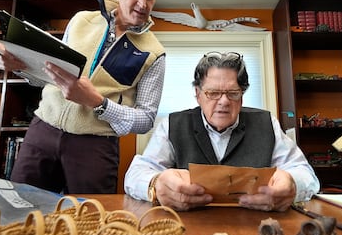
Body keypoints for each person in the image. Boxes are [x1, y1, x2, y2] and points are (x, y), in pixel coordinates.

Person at [0, 0, 166, 194]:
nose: (142, 2)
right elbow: (52, 77)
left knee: (90, 223)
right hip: (43, 131)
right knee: (21, 211)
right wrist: (20, 67)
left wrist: (98, 103)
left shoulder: (155, 53)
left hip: (96, 147)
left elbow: (146, 119)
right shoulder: (81, 20)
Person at [124, 51, 320, 211]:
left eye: (233, 93)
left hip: (255, 225)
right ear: (198, 95)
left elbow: (306, 174)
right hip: (187, 227)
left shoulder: (266, 123)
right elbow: (136, 174)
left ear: (242, 97)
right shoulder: (173, 124)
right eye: (213, 93)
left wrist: (292, 184)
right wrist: (156, 184)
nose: (224, 101)